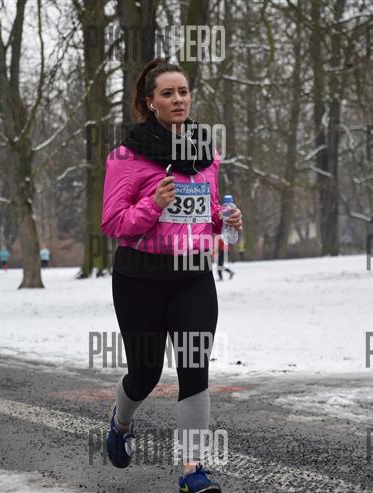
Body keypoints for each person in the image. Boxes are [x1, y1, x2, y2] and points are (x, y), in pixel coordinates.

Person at [100, 59, 242, 493]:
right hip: (139, 280)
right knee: (145, 374)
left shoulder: (206, 154)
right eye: (167, 93)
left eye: (183, 91)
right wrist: (153, 205)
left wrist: (226, 219)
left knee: (194, 368)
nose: (178, 99)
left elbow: (208, 216)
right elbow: (113, 223)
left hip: (193, 276)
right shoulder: (126, 157)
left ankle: (192, 470)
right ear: (150, 102)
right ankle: (121, 424)